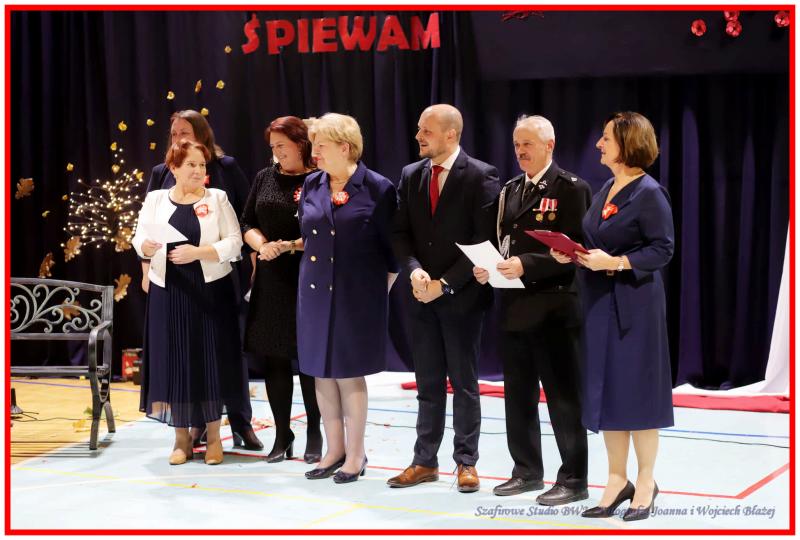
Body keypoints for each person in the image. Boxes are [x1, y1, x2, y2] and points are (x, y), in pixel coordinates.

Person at [551, 111, 674, 521]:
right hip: (600, 302)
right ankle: (617, 478)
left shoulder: (650, 192)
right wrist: (575, 254)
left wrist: (617, 263)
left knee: (638, 392)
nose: (599, 144)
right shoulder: (607, 187)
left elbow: (662, 249)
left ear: (627, 143)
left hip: (635, 305)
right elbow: (598, 242)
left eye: (606, 138)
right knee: (607, 391)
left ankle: (646, 480)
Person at [473, 115, 591, 504]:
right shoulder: (509, 189)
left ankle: (573, 478)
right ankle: (526, 471)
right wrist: (487, 266)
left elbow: (576, 250)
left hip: (555, 306)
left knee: (563, 398)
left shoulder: (571, 188)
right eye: (516, 144)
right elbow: (503, 242)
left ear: (549, 145)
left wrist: (527, 264)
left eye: (527, 144)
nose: (520, 151)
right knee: (518, 396)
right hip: (514, 305)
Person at [389, 104, 500, 493]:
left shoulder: (482, 176)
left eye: (427, 131)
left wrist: (445, 284)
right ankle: (424, 461)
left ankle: (466, 462)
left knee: (464, 383)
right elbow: (401, 233)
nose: (418, 136)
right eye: (419, 129)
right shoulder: (411, 175)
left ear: (451, 134)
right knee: (427, 383)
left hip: (462, 298)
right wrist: (415, 271)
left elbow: (484, 241)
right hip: (421, 296)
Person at [141, 110, 262, 451]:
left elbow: (244, 221)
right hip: (174, 282)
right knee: (184, 353)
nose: (178, 137)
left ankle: (239, 423)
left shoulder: (224, 171)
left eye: (185, 132)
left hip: (215, 275)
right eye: (174, 133)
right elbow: (145, 231)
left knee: (222, 353)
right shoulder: (161, 174)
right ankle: (190, 430)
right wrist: (146, 268)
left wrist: (251, 262)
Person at [297, 113, 398, 483]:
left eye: (321, 146)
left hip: (357, 294)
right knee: (320, 372)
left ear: (344, 147)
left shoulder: (377, 187)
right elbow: (308, 234)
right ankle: (333, 450)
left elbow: (393, 253)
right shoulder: (313, 183)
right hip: (314, 292)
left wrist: (375, 296)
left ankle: (356, 455)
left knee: (348, 374)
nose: (315, 153)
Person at [240, 116, 322, 463]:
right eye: (273, 147)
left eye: (282, 146)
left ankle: (315, 431)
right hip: (271, 277)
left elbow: (325, 229)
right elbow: (247, 222)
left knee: (309, 359)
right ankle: (282, 434)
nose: (276, 153)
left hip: (308, 275)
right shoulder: (265, 177)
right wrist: (262, 245)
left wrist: (288, 246)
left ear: (301, 145)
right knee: (275, 357)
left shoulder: (318, 179)